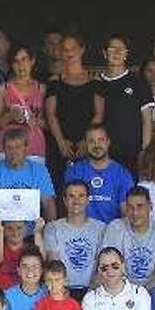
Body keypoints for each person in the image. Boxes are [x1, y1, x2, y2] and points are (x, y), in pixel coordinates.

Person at [44, 34, 102, 197]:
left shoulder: (94, 81)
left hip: (87, 145)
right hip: (59, 143)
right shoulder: (55, 80)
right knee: (59, 188)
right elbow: (51, 114)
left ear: (82, 50)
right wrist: (61, 142)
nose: (68, 53)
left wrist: (87, 141)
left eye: (73, 48)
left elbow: (98, 114)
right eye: (64, 49)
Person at [99, 187, 155, 291]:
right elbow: (110, 266)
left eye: (140, 207)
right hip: (119, 290)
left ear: (150, 207)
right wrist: (126, 294)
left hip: (153, 290)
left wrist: (140, 294)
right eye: (130, 207)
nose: (135, 213)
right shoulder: (115, 227)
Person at [95, 35, 153, 169]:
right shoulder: (96, 84)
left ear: (126, 53)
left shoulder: (139, 83)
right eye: (112, 49)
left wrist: (145, 152)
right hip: (101, 154)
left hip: (131, 154)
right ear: (104, 53)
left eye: (121, 49)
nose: (116, 52)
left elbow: (147, 120)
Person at [44, 181, 105, 300]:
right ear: (65, 200)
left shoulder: (101, 228)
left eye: (81, 196)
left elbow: (103, 264)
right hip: (62, 291)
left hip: (95, 291)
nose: (76, 201)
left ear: (88, 200)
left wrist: (91, 293)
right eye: (71, 196)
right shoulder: (53, 228)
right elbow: (54, 263)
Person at [63, 125, 134, 224]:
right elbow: (71, 209)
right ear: (85, 144)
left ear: (108, 142)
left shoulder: (122, 174)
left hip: (112, 232)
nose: (97, 145)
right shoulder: (74, 172)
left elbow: (126, 212)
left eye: (101, 140)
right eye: (91, 141)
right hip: (81, 232)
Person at [0, 128, 58, 222]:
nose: (14, 152)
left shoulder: (39, 170)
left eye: (18, 147)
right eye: (9, 148)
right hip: (2, 228)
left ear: (26, 149)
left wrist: (52, 230)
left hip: (32, 229)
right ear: (4, 150)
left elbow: (48, 203)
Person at [0, 45, 46, 164]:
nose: (21, 65)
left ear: (32, 61)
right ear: (11, 64)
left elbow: (49, 123)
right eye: (16, 61)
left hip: (34, 146)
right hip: (6, 148)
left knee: (33, 182)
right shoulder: (4, 89)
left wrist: (35, 120)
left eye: (24, 60)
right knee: (4, 182)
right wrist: (10, 116)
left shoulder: (41, 89)